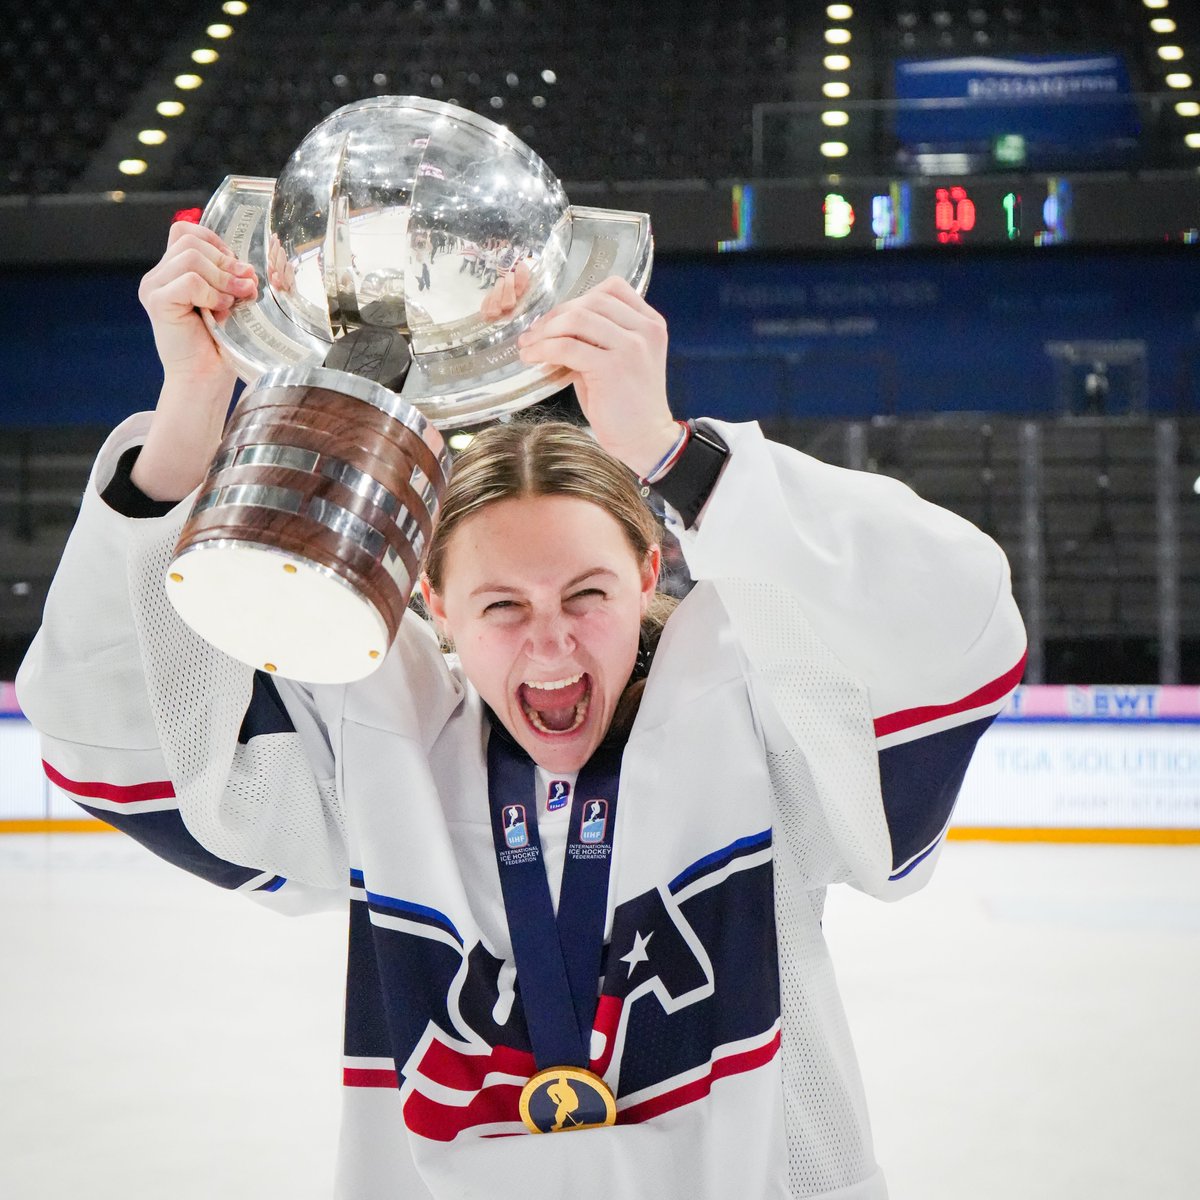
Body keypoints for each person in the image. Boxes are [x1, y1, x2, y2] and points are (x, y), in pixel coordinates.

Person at [17, 218, 1027, 1200]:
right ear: (436, 605)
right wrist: (186, 426)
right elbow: (109, 745)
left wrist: (681, 457)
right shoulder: (380, 766)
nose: (550, 642)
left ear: (647, 571)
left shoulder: (758, 733)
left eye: (586, 595)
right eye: (502, 605)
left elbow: (955, 628)